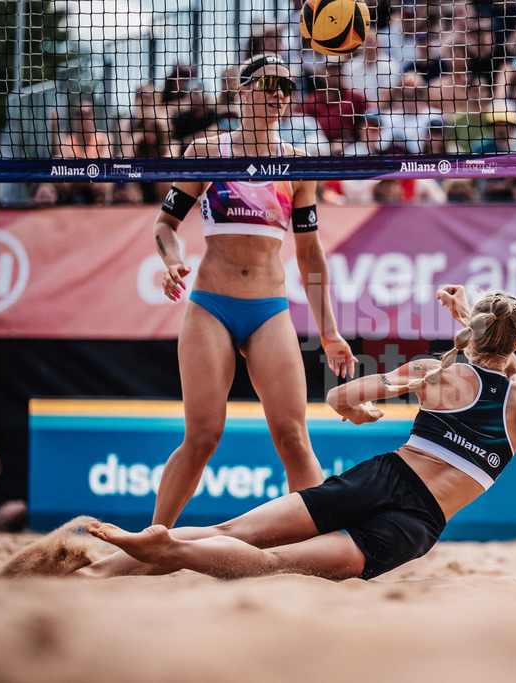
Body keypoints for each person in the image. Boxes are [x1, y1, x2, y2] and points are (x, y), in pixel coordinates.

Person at [72, 285, 516, 580]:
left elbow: (339, 399)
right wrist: (471, 322)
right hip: (415, 526)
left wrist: (358, 413)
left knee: (229, 530)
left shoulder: (431, 373)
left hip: (382, 477)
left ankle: (97, 573)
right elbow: (507, 369)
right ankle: (169, 549)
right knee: (277, 566)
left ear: (472, 335)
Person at [146, 53, 356, 529]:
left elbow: (310, 255)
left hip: (268, 311)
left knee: (293, 436)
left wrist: (330, 333)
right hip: (211, 307)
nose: (279, 94)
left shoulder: (297, 166)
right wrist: (173, 259)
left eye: (286, 86)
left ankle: (314, 543)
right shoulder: (206, 153)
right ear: (241, 92)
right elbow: (165, 223)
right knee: (202, 436)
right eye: (268, 84)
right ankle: (151, 542)